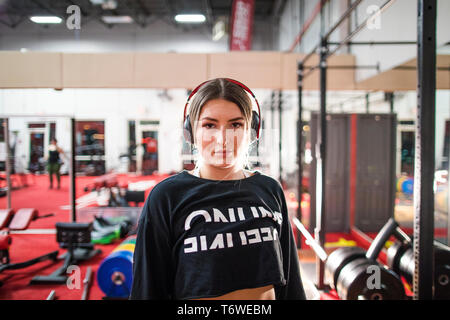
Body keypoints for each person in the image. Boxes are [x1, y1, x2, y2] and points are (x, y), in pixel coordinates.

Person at [130, 78, 306, 300]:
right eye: (209, 125)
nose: (223, 139)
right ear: (191, 131)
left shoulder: (269, 190)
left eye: (235, 125)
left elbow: (290, 285)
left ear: (251, 131)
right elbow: (147, 290)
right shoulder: (167, 197)